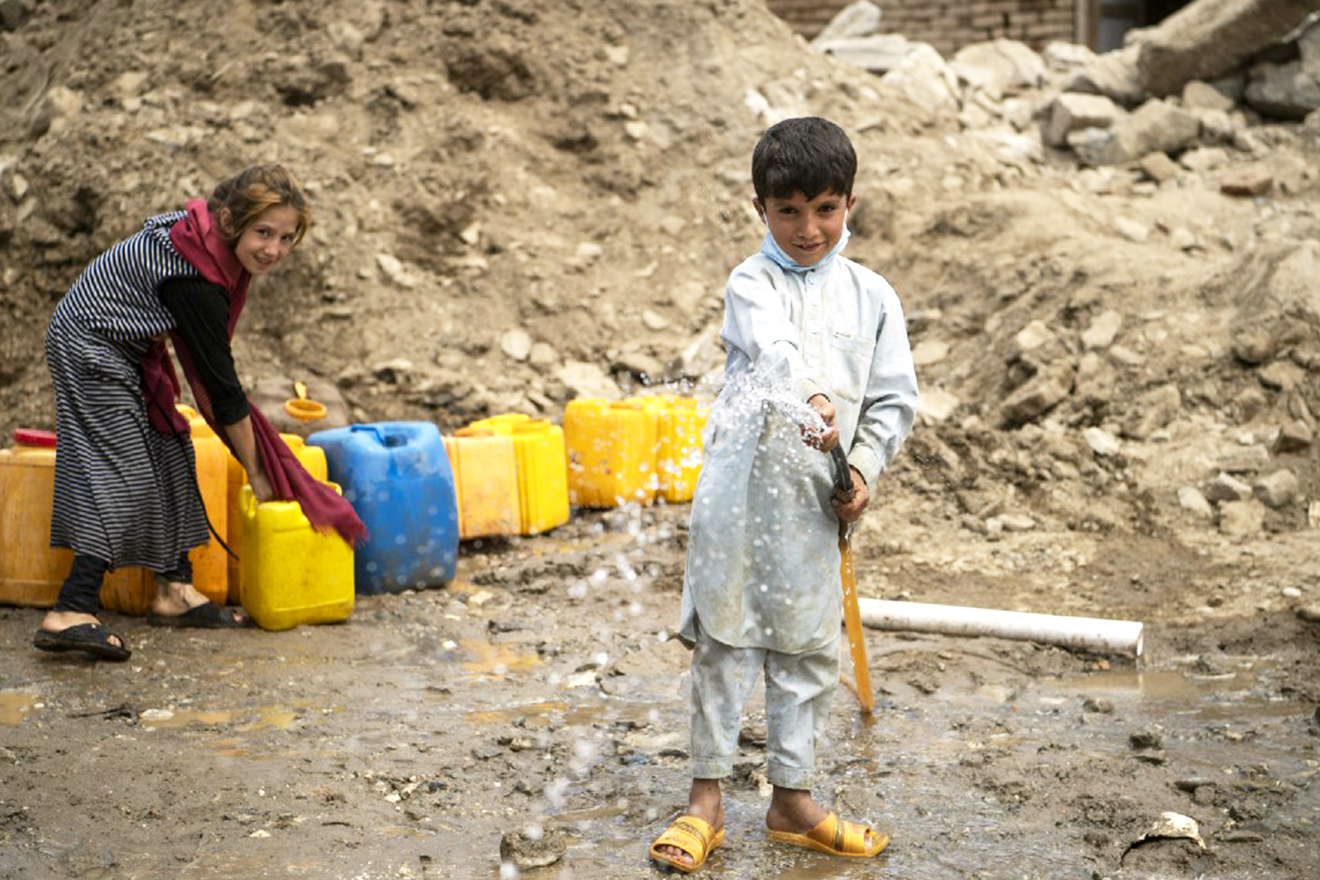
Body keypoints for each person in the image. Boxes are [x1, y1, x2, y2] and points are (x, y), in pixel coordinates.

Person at [649, 118, 919, 872]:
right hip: (738, 500)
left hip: (814, 505)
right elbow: (775, 350)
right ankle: (705, 800)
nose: (808, 228)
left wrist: (861, 467)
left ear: (850, 204)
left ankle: (792, 799)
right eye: (789, 211)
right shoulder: (751, 282)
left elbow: (895, 399)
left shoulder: (873, 297)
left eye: (825, 209)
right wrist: (809, 394)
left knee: (806, 649)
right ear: (759, 210)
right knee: (724, 644)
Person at [33, 164, 366, 662]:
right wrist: (257, 472)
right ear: (230, 221)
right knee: (126, 473)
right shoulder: (194, 273)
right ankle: (70, 609)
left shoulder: (208, 250)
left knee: (172, 449)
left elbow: (215, 380)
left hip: (132, 350)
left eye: (286, 237)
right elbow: (220, 388)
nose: (273, 249)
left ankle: (174, 590)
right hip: (89, 346)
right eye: (263, 232)